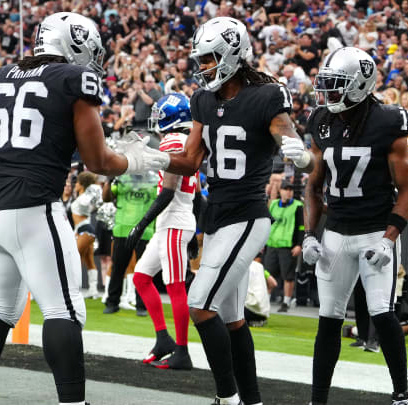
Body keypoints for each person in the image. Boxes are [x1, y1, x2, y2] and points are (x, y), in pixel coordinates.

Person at [0, 12, 163, 405]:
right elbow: (97, 161)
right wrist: (136, 161)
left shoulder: (1, 75)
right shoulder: (74, 78)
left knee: (0, 308)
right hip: (31, 205)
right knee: (65, 310)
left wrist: (1, 189)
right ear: (74, 43)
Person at [147, 17, 314, 405]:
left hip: (247, 214)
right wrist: (150, 160)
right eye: (200, 59)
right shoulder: (203, 100)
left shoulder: (267, 95)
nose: (202, 66)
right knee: (233, 319)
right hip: (217, 215)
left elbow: (287, 135)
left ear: (232, 55)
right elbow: (189, 160)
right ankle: (252, 400)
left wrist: (301, 155)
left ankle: (228, 396)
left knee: (199, 304)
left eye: (208, 58)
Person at [302, 47, 408, 405]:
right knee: (328, 319)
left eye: (337, 85)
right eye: (327, 85)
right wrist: (308, 235)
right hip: (336, 231)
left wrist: (389, 239)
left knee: (382, 312)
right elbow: (313, 185)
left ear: (359, 85)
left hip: (373, 232)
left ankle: (402, 393)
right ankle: (318, 399)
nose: (329, 93)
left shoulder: (387, 120)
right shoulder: (322, 119)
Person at [126, 93, 197, 370]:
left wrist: (141, 223)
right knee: (142, 278)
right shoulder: (187, 141)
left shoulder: (172, 141)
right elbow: (199, 194)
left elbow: (167, 191)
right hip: (176, 220)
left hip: (174, 221)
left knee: (175, 287)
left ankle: (182, 351)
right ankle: (163, 339)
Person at [102, 170, 158, 315]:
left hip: (144, 231)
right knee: (118, 268)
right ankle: (112, 303)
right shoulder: (122, 178)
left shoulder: (154, 180)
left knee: (144, 270)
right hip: (123, 230)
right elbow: (106, 198)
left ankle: (142, 306)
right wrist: (109, 180)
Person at [265, 179, 304, 312]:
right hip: (272, 243)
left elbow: (301, 226)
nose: (288, 192)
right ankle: (265, 300)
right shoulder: (274, 204)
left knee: (288, 276)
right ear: (280, 191)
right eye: (286, 189)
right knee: (267, 274)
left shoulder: (298, 205)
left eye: (290, 190)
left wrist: (299, 244)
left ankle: (286, 302)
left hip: (288, 245)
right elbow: (267, 224)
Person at [70, 171, 103, 299]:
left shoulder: (85, 197)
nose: (75, 185)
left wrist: (93, 189)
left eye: (77, 182)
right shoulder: (82, 196)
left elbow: (87, 203)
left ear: (82, 184)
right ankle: (93, 291)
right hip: (83, 229)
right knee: (89, 260)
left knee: (74, 258)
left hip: (85, 229)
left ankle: (74, 288)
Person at [244, 253, 278, 327]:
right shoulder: (261, 267)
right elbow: (274, 283)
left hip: (248, 309)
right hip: (264, 314)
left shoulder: (244, 265)